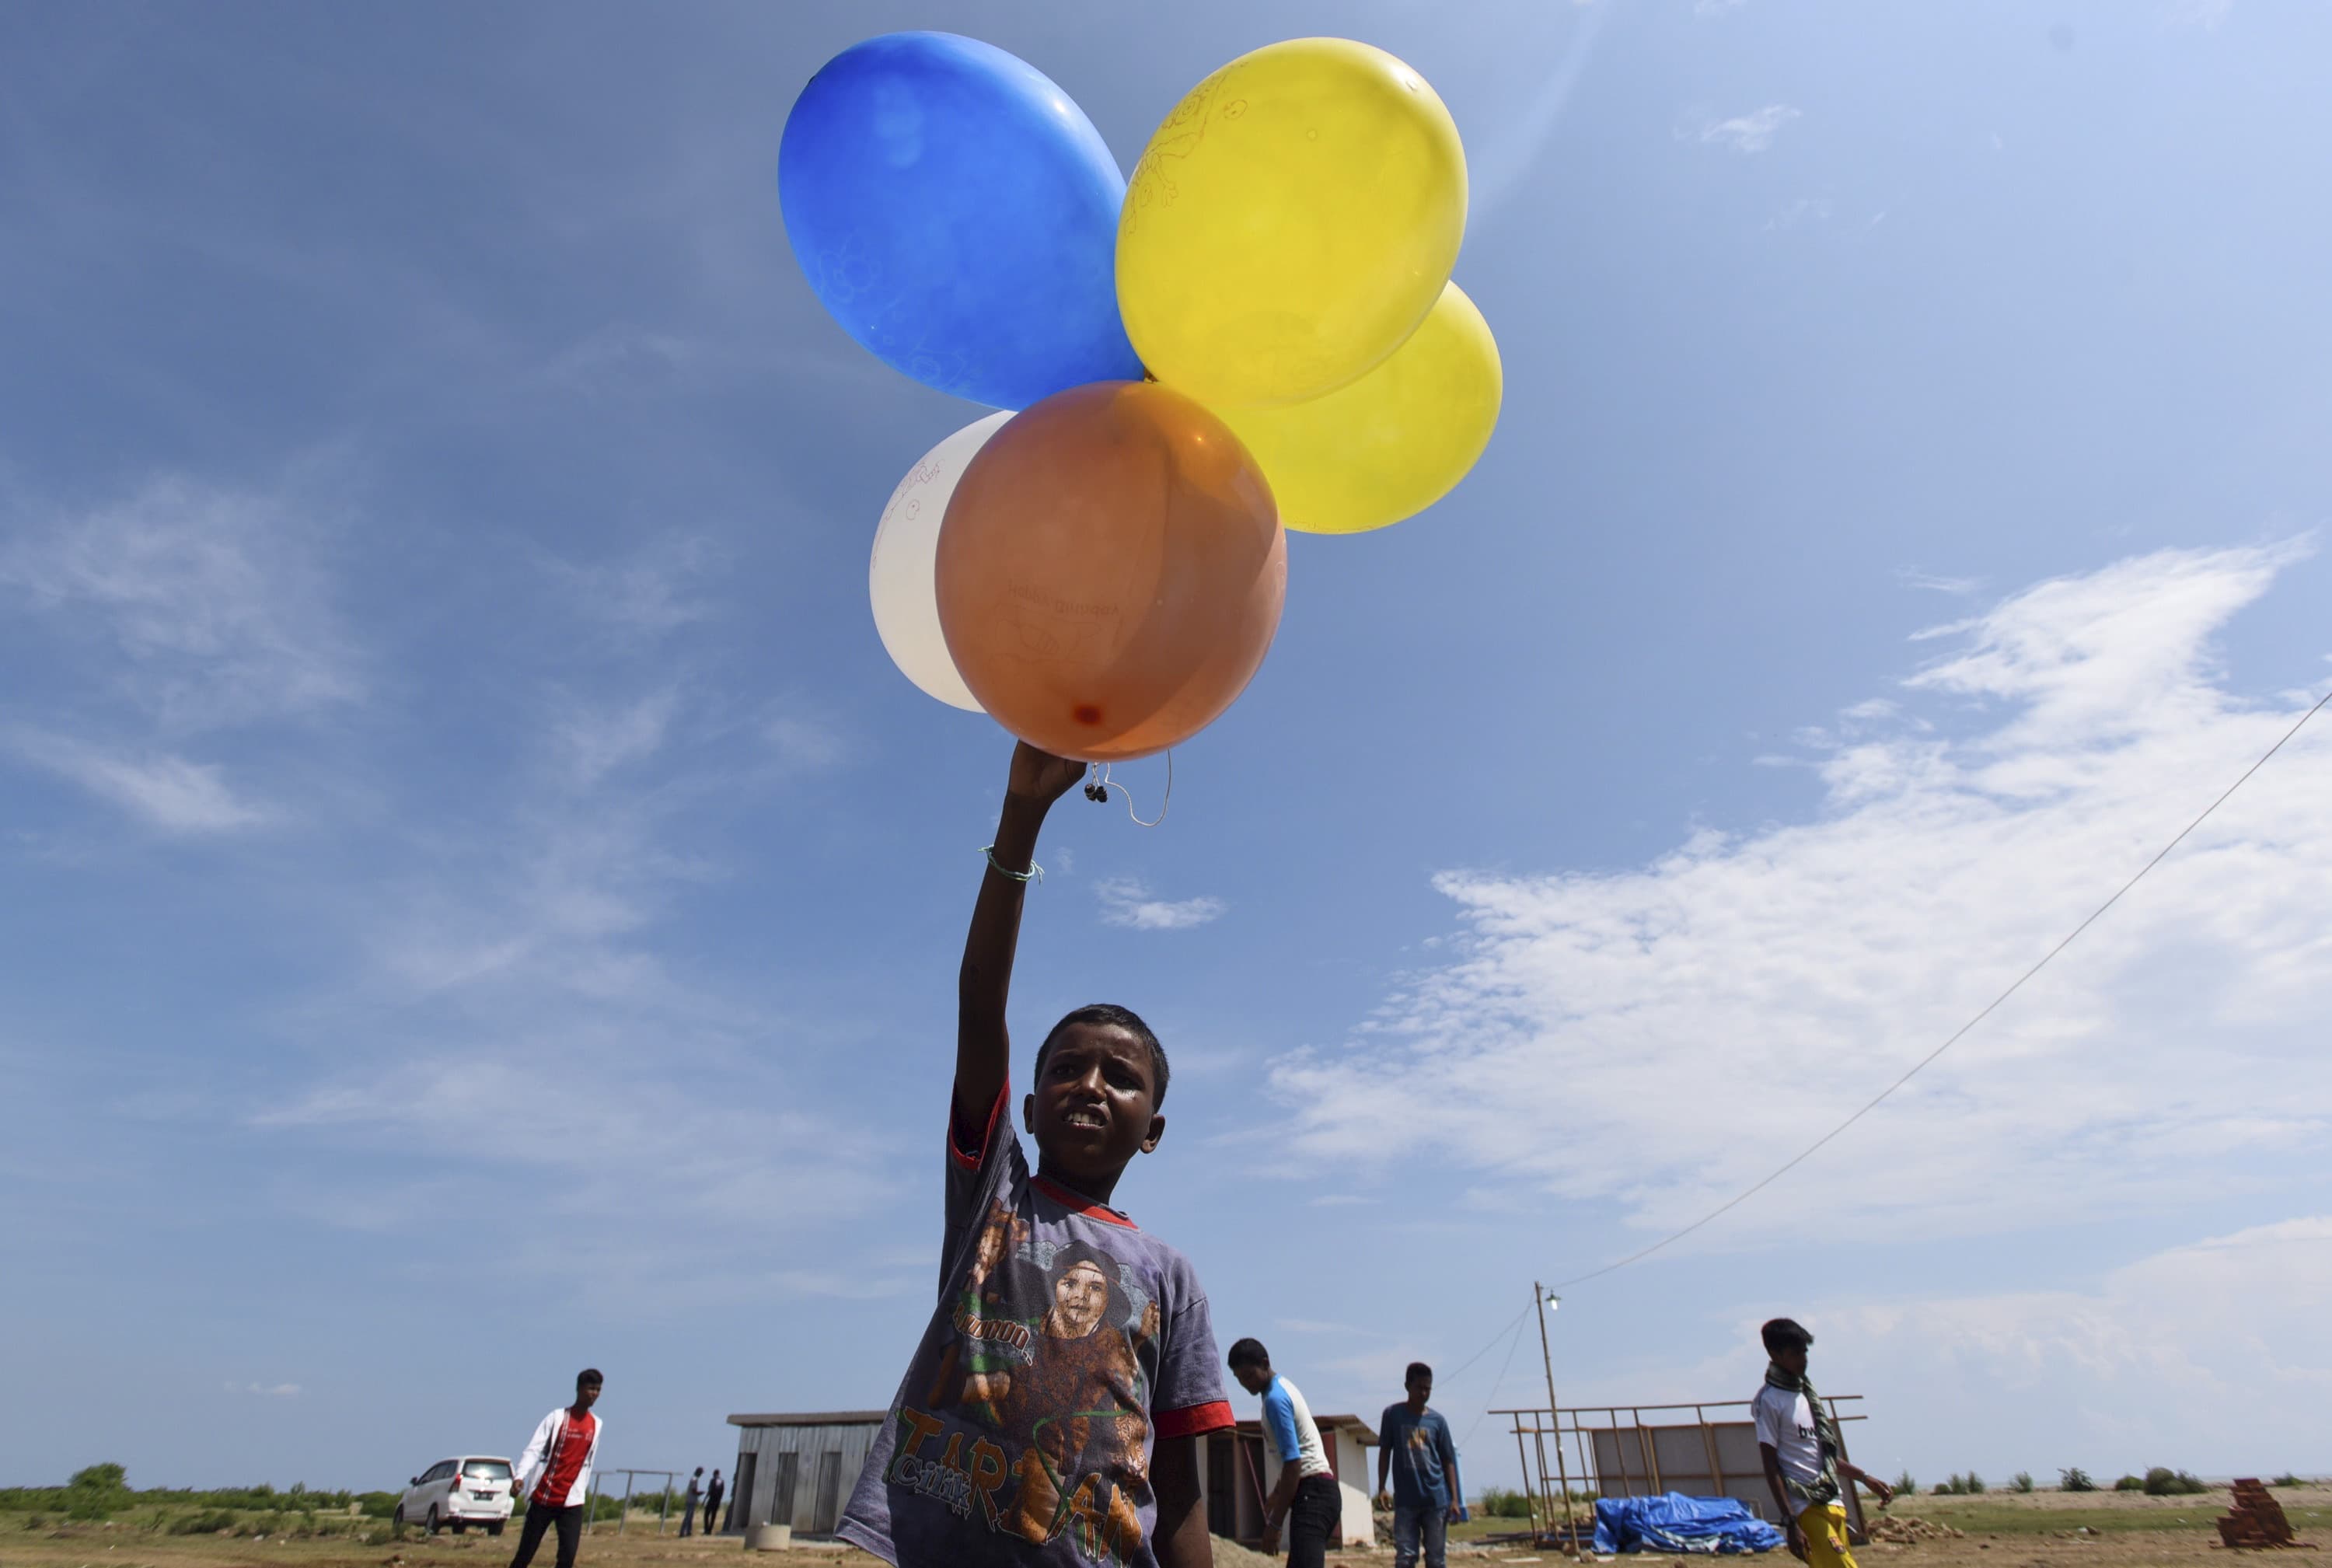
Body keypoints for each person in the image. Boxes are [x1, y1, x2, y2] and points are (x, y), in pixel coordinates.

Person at [836, 742, 1235, 1568]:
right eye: (1066, 1068)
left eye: (1121, 1078)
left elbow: (1182, 1480)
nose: (1090, 1084)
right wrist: (1022, 815)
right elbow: (980, 1006)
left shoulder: (1171, 1278)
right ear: (1025, 1105)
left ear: (1153, 1128)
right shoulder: (996, 1199)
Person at [1754, 1319, 1893, 1568]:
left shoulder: (1808, 1397)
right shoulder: (1769, 1401)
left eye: (1804, 1352)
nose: (1802, 1359)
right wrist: (1791, 1521)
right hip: (1805, 1508)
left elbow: (1824, 1457)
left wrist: (1864, 1478)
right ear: (1774, 1355)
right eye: (1794, 1353)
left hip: (1833, 1502)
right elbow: (1770, 1464)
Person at [1226, 1339, 1339, 1568]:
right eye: (1239, 1379)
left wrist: (1274, 1525)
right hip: (1315, 1491)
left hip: (1314, 1493)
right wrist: (1278, 1493)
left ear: (1265, 1364)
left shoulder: (1276, 1400)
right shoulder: (1279, 1389)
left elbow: (1294, 1463)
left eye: (1248, 1376)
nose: (1245, 1384)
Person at [511, 1370, 605, 1568]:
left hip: (572, 1501)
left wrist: (580, 1490)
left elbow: (588, 1463)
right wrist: (520, 1475)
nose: (594, 1394)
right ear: (579, 1389)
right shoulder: (557, 1418)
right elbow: (534, 1449)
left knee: (567, 1557)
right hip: (544, 1497)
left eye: (597, 1390)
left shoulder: (596, 1424)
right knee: (525, 1555)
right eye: (590, 1389)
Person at [1376, 1361, 1463, 1568]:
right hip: (1406, 1501)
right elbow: (1385, 1451)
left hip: (1436, 1500)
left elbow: (1448, 1460)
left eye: (1428, 1389)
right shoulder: (1392, 1415)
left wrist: (1454, 1500)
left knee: (1436, 1558)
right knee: (1405, 1557)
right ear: (1407, 1386)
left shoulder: (1438, 1421)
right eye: (1419, 1388)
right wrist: (1381, 1487)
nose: (1424, 1393)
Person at [679, 1468, 703, 1537]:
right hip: (691, 1500)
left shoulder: (694, 1479)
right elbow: (694, 1490)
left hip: (692, 1500)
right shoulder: (694, 1479)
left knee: (690, 1517)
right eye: (701, 1473)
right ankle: (682, 1532)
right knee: (688, 1517)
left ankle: (688, 1532)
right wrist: (700, 1493)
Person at [703, 1471, 724, 1537]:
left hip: (711, 1500)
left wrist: (705, 1499)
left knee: (706, 1514)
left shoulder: (712, 1480)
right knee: (713, 1516)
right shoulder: (722, 1481)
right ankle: (710, 1529)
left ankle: (707, 1529)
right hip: (717, 1501)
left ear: (714, 1474)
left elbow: (710, 1490)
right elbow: (722, 1491)